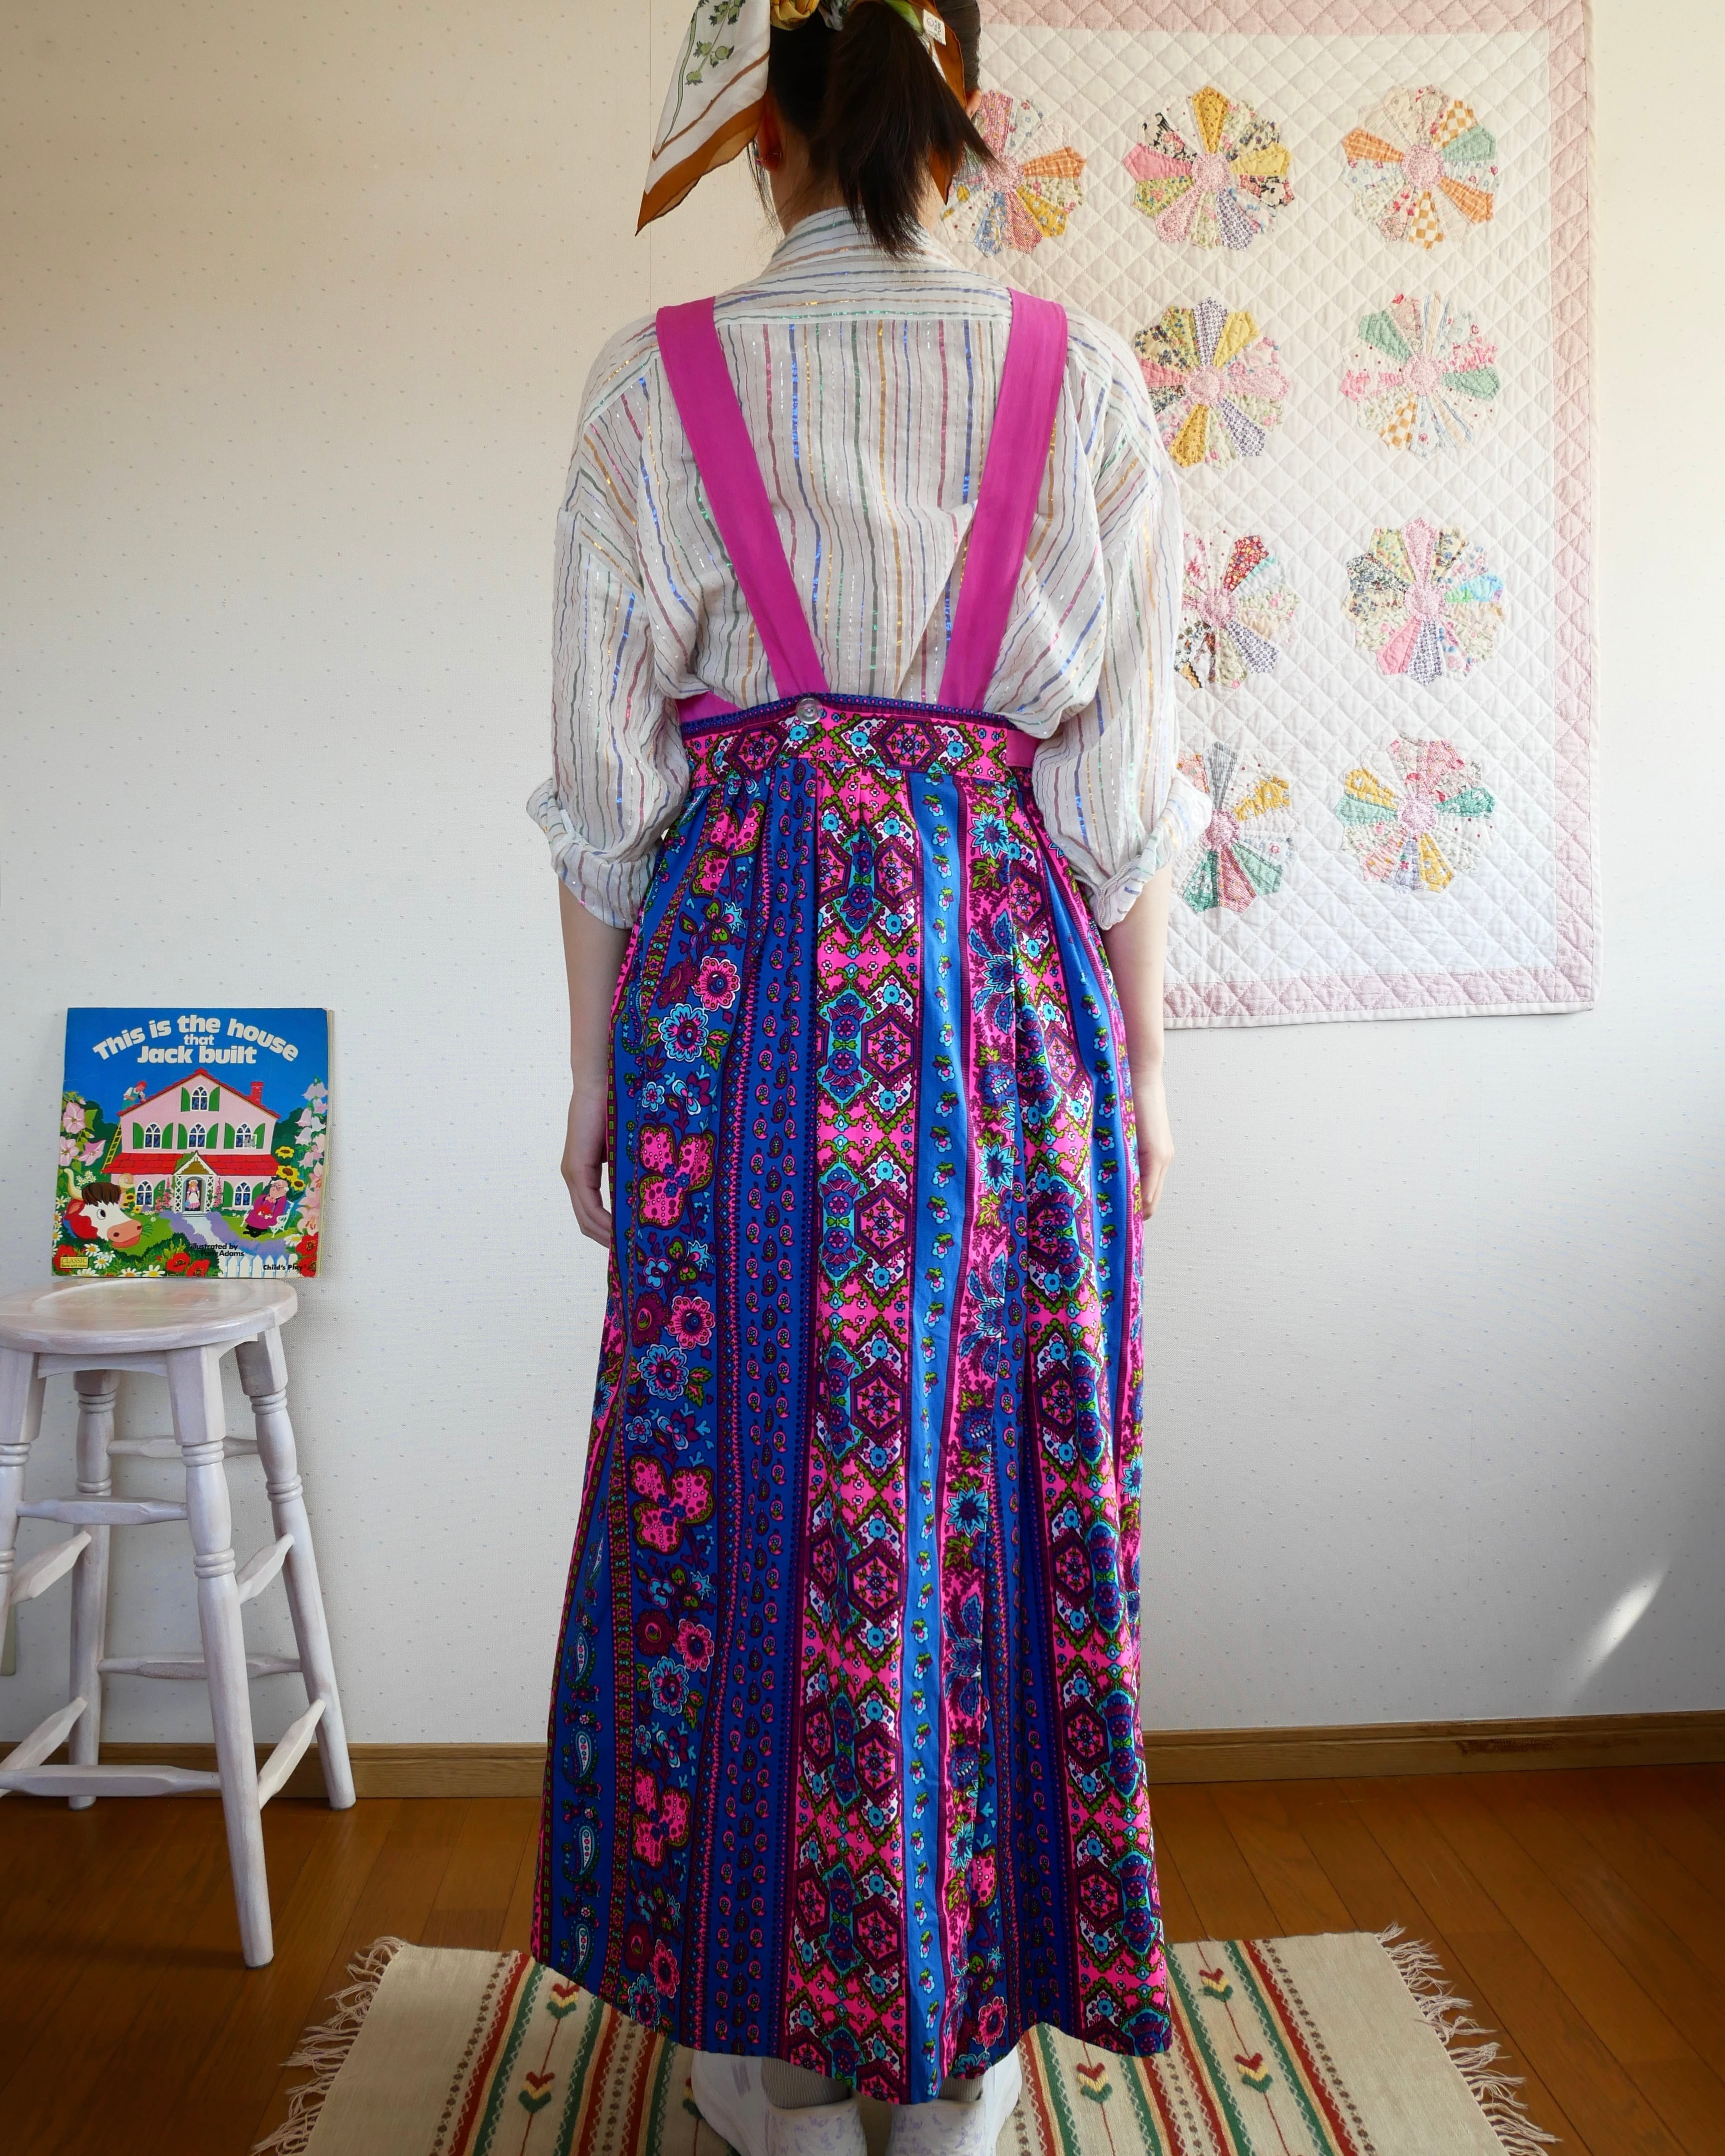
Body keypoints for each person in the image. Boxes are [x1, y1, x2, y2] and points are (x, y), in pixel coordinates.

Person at [528, 2, 1205, 2149]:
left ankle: (767, 2045)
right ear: (951, 131)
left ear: (770, 139)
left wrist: (589, 1078)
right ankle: (962, 2051)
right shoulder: (1085, 379)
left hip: (733, 1011)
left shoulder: (654, 379)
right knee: (987, 1486)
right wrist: (1144, 1070)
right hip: (1007, 1010)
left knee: (730, 1492)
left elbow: (603, 799)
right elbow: (1124, 797)